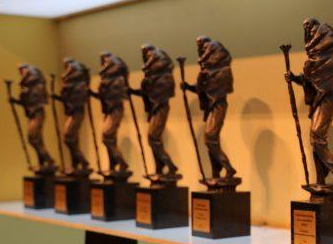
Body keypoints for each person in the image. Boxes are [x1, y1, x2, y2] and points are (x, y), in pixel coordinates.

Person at [285, 18, 333, 186]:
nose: (308, 31)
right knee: (316, 140)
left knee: (317, 137)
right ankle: (320, 178)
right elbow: (308, 79)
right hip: (318, 101)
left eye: (311, 27)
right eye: (306, 28)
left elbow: (329, 79)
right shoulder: (313, 58)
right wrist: (294, 78)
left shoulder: (332, 55)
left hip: (326, 98)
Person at [181, 36, 237, 181]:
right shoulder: (207, 72)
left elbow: (214, 89)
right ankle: (215, 172)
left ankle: (229, 168)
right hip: (212, 107)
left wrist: (202, 81)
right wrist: (189, 87)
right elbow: (204, 89)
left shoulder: (222, 71)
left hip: (218, 105)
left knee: (210, 138)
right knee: (211, 140)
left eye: (203, 48)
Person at [130, 44, 179, 179]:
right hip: (155, 109)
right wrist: (132, 91)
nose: (145, 57)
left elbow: (159, 93)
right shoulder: (151, 78)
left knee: (153, 137)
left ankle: (170, 165)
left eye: (147, 54)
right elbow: (147, 93)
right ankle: (159, 167)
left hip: (160, 108)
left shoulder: (163, 76)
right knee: (154, 139)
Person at [90, 52, 130, 177]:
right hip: (109, 111)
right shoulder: (106, 79)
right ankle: (113, 165)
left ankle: (121, 162)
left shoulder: (117, 80)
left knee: (106, 137)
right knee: (110, 138)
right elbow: (103, 96)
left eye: (104, 61)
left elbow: (116, 96)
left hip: (115, 110)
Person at [11, 64, 56, 173]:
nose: (21, 73)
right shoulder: (26, 87)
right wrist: (15, 100)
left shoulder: (37, 86)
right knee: (37, 139)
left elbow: (37, 101)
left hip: (37, 113)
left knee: (33, 138)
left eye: (22, 71)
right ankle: (42, 162)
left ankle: (48, 160)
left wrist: (28, 104)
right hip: (32, 114)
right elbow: (25, 102)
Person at [52, 58, 91, 175]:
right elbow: (67, 99)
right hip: (72, 112)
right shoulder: (69, 85)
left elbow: (77, 100)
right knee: (72, 138)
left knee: (68, 136)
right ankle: (76, 163)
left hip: (76, 112)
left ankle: (82, 161)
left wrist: (69, 102)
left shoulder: (79, 85)